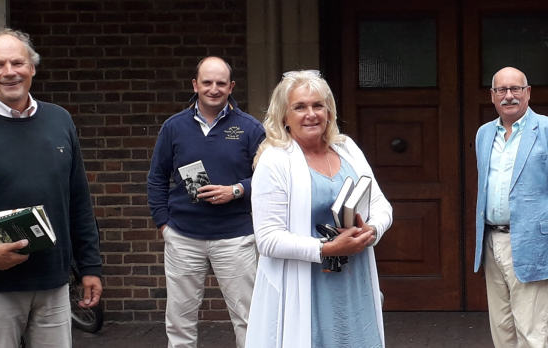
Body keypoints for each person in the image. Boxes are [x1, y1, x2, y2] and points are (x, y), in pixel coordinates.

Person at [246, 70, 392, 348]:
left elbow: (381, 204)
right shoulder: (274, 161)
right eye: (299, 107)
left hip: (354, 281)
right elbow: (267, 239)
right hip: (306, 285)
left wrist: (372, 230)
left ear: (329, 111)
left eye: (317, 105)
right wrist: (327, 249)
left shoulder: (347, 148)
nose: (310, 114)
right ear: (284, 116)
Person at [147, 56, 265, 348]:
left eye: (221, 83)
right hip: (184, 237)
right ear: (195, 84)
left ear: (231, 86)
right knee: (180, 321)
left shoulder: (251, 128)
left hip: (235, 237)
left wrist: (236, 190)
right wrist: (164, 225)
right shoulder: (173, 127)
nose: (214, 88)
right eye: (207, 82)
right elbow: (157, 178)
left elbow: (270, 180)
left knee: (249, 319)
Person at [0, 28, 102, 347]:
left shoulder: (59, 120)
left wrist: (90, 267)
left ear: (33, 68)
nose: (9, 72)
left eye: (17, 62)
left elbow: (78, 201)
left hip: (53, 283)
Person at [473, 66, 548, 348]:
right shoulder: (484, 134)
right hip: (491, 241)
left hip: (532, 244)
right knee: (502, 330)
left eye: (515, 89)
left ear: (528, 93)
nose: (509, 96)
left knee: (531, 334)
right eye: (502, 90)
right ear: (493, 96)